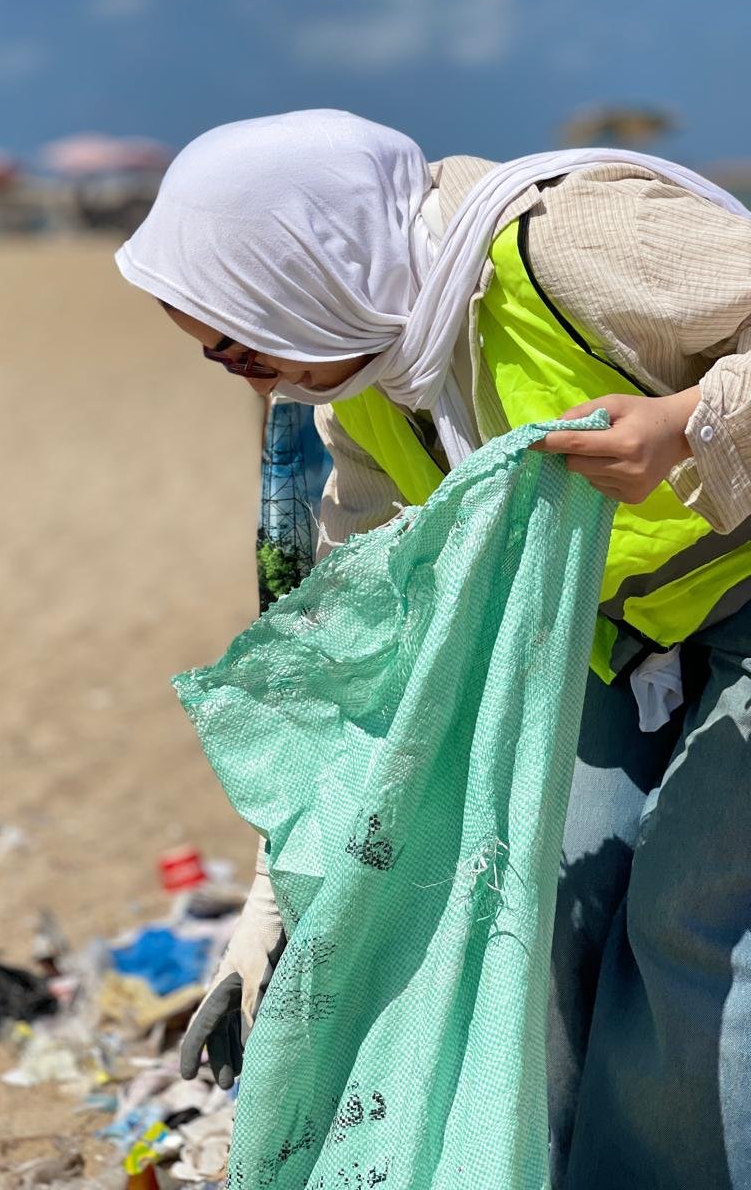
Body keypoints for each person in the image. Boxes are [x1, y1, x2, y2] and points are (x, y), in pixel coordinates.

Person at [116, 109, 751, 1190]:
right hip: (620, 633)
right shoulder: (359, 389)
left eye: (237, 336)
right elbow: (364, 666)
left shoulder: (570, 245)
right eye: (213, 349)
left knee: (685, 926)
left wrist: (688, 419)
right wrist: (273, 911)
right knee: (522, 900)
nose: (242, 372)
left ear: (308, 270)